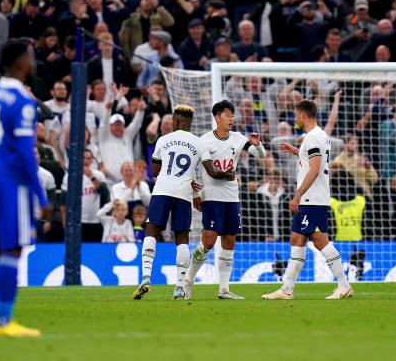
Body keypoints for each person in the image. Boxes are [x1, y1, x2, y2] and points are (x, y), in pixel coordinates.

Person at [0, 40, 51, 337]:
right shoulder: (22, 101)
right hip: (11, 179)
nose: (33, 61)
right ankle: (4, 320)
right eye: (30, 56)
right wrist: (40, 195)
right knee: (12, 247)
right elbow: (24, 152)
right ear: (20, 62)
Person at [133, 104, 236, 300]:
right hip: (183, 195)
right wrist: (226, 174)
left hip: (162, 192)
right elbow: (212, 172)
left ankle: (146, 277)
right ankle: (179, 288)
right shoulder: (199, 144)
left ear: (176, 121)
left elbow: (154, 172)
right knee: (181, 238)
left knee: (152, 230)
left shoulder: (163, 140)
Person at [262, 99, 353, 300]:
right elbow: (314, 162)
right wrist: (298, 152)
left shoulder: (312, 137)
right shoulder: (320, 136)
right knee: (297, 238)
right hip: (315, 198)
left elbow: (314, 169)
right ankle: (286, 289)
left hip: (312, 198)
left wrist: (298, 194)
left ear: (302, 115)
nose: (295, 119)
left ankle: (344, 285)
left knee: (320, 240)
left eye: (295, 115)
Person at [185, 100, 267, 300]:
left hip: (232, 198)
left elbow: (261, 156)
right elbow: (199, 170)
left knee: (229, 240)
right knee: (209, 241)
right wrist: (196, 195)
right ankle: (187, 280)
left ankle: (224, 289)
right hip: (212, 198)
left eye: (232, 115)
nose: (232, 118)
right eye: (228, 115)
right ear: (217, 118)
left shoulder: (238, 138)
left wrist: (258, 145)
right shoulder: (204, 141)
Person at [61, 149, 108, 242]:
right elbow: (63, 200)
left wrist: (91, 176)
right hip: (76, 221)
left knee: (93, 250)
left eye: (89, 158)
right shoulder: (69, 176)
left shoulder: (99, 175)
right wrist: (64, 219)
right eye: (83, 158)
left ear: (91, 161)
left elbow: (104, 193)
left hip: (95, 220)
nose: (86, 161)